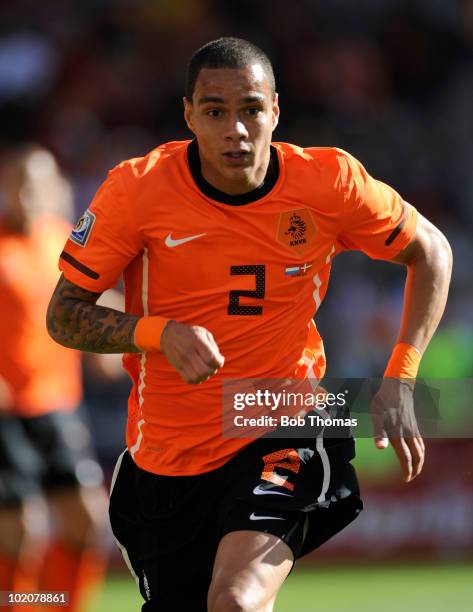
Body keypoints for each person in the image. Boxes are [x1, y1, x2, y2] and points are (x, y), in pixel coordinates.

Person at [46, 37, 452, 612]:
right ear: (189, 114)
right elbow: (63, 316)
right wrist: (158, 332)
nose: (235, 129)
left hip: (283, 418)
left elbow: (431, 251)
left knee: (237, 601)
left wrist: (402, 375)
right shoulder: (137, 190)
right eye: (214, 112)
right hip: (168, 453)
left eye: (251, 110)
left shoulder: (327, 183)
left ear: (276, 111)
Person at [0, 145, 108, 612]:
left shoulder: (63, 242)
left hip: (59, 404)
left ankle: (56, 605)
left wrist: (136, 336)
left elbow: (89, 309)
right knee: (20, 534)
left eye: (39, 183)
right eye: (20, 182)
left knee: (88, 523)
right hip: (6, 412)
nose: (29, 192)